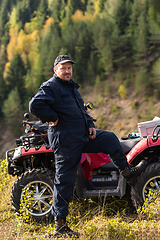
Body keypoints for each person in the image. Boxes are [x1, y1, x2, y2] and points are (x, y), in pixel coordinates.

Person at [29, 55, 145, 238]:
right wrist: (53, 118)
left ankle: (127, 172)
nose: (67, 71)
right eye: (63, 68)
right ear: (55, 70)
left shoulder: (71, 87)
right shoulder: (51, 86)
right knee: (65, 180)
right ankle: (59, 226)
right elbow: (35, 105)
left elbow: (82, 111)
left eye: (69, 68)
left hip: (82, 135)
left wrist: (90, 124)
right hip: (66, 140)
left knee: (109, 138)